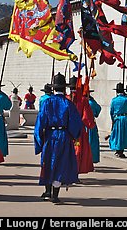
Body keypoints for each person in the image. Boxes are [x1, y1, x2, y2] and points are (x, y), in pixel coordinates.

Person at [34, 72, 83, 204]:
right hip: (63, 136)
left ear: (53, 88)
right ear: (64, 88)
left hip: (50, 136)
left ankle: (47, 191)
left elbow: (40, 122)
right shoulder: (68, 104)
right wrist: (75, 136)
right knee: (60, 164)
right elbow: (75, 122)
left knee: (48, 162)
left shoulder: (47, 102)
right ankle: (54, 195)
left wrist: (39, 139)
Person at [68, 76, 95, 174]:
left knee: (66, 150)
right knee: (77, 149)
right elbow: (86, 117)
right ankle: (75, 171)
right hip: (78, 131)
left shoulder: (66, 99)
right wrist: (91, 124)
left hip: (66, 130)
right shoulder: (83, 100)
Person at [109, 82, 127, 158]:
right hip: (125, 118)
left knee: (117, 134)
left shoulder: (114, 100)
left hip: (117, 118)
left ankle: (117, 149)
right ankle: (121, 150)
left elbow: (111, 111)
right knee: (124, 134)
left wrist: (113, 120)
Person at [85, 87, 102, 163]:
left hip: (83, 125)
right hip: (91, 125)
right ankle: (91, 159)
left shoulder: (80, 102)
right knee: (92, 143)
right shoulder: (92, 103)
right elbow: (98, 110)